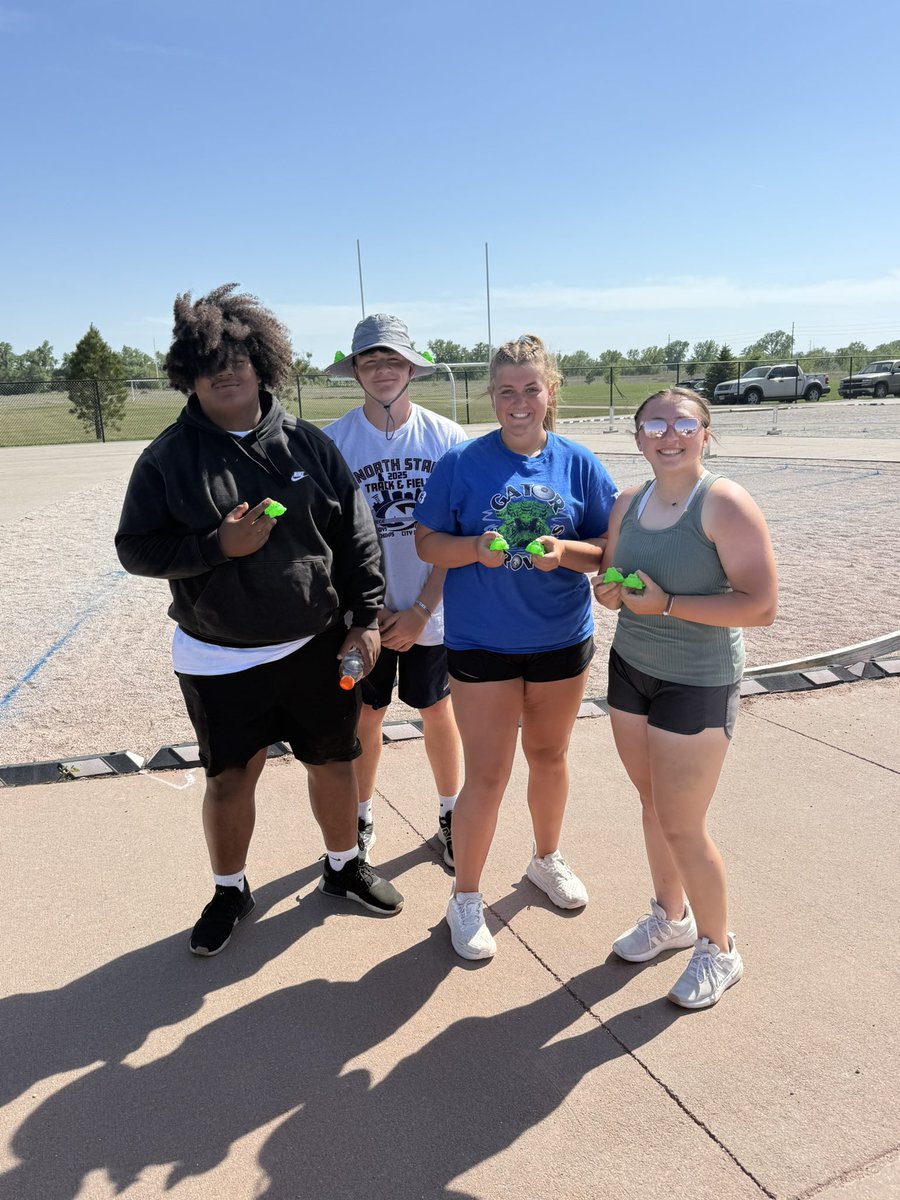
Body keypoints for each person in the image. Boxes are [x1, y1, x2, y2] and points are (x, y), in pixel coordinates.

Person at [115, 283, 404, 958]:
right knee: (228, 778)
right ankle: (230, 889)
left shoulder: (308, 444)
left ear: (261, 360)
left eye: (238, 354)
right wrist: (217, 546)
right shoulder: (167, 458)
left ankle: (342, 867)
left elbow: (357, 536)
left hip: (315, 645)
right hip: (219, 655)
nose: (227, 368)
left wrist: (364, 618)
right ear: (188, 372)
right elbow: (135, 548)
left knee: (335, 764)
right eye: (209, 359)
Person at [414, 334, 619, 960]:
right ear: (491, 397)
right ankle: (466, 898)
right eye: (506, 390)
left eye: (532, 388)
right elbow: (427, 543)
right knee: (489, 773)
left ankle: (545, 859)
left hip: (561, 640)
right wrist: (474, 548)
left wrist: (566, 554)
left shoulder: (579, 463)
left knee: (551, 756)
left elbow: (606, 554)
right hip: (482, 644)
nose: (519, 401)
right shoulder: (462, 464)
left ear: (550, 392)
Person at [592, 387, 777, 1009]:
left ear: (706, 434)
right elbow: (614, 575)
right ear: (638, 436)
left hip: (698, 679)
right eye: (654, 424)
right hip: (632, 670)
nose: (668, 435)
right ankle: (669, 918)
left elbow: (761, 606)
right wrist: (610, 592)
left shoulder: (723, 503)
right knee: (652, 802)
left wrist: (669, 604)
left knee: (683, 823)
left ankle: (720, 948)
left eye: (683, 423)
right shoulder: (627, 502)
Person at [322, 315, 466, 867]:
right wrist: (370, 609)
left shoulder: (447, 439)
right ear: (355, 370)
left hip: (433, 608)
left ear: (411, 368)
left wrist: (423, 608)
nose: (383, 370)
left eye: (393, 360)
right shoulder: (333, 442)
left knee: (437, 710)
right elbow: (328, 539)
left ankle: (452, 814)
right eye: (370, 360)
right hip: (365, 616)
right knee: (367, 715)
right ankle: (360, 817)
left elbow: (459, 534)